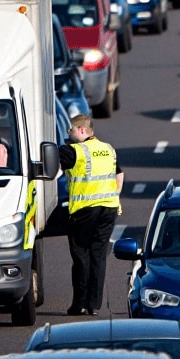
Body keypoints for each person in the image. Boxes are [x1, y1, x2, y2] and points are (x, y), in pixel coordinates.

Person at [60, 113, 122, 316]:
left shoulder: (74, 151)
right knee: (98, 256)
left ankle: (79, 304)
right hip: (109, 208)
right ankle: (94, 304)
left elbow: (52, 159)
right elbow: (119, 173)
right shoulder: (108, 149)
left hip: (85, 210)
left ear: (81, 130)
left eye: (70, 130)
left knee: (80, 256)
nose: (69, 135)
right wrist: (114, 195)